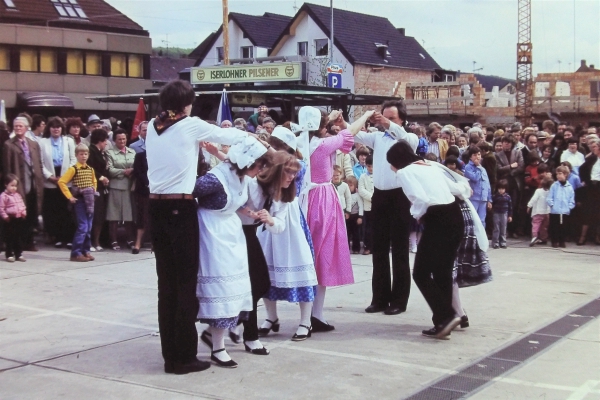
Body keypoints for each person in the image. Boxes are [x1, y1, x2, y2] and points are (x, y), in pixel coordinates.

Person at [146, 79, 248, 375]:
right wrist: (252, 139)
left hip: (156, 207)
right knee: (184, 286)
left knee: (166, 286)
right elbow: (227, 134)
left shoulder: (155, 125)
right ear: (186, 103)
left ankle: (171, 356)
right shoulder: (189, 124)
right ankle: (184, 357)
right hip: (180, 208)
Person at [194, 136, 269, 368]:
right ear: (247, 163)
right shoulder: (214, 179)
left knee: (235, 288)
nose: (261, 170)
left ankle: (218, 341)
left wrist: (248, 213)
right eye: (259, 166)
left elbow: (234, 201)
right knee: (222, 289)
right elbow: (187, 191)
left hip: (231, 233)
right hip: (212, 235)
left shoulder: (240, 175)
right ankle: (218, 347)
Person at [387, 140, 468, 339]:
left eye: (391, 163)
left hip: (437, 217)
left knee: (421, 273)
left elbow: (420, 200)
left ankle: (446, 317)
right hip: (455, 215)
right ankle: (444, 320)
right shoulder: (431, 166)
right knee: (443, 272)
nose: (391, 168)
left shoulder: (404, 173)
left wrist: (417, 214)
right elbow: (459, 188)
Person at [351, 101, 418, 316]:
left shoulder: (409, 138)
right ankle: (379, 298)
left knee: (399, 250)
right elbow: (352, 134)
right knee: (378, 249)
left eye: (392, 117)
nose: (385, 121)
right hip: (379, 196)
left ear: (402, 120)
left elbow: (403, 138)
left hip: (400, 196)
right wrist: (355, 118)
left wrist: (388, 123)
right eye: (384, 117)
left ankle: (399, 300)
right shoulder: (377, 137)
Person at [3, 116, 44, 251]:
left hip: (33, 183)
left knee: (32, 212)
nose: (18, 128)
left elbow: (38, 163)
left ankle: (29, 241)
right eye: (16, 126)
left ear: (27, 128)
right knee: (19, 213)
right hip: (19, 183)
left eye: (20, 126)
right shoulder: (9, 144)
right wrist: (10, 184)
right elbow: (7, 167)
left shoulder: (33, 143)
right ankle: (19, 243)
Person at [39, 117, 76, 248]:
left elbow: (73, 160)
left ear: (62, 128)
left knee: (67, 210)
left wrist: (65, 177)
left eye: (58, 127)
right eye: (53, 127)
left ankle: (69, 238)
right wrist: (50, 177)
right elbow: (40, 163)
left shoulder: (69, 141)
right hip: (50, 181)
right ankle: (58, 237)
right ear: (49, 129)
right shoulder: (43, 142)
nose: (56, 129)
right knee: (54, 211)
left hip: (66, 179)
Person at [58, 144, 97, 262]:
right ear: (76, 155)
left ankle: (86, 251)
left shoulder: (90, 169)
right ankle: (76, 252)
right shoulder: (73, 169)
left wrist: (93, 192)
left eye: (85, 154)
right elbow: (62, 181)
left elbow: (93, 181)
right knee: (82, 227)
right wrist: (70, 196)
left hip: (89, 201)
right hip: (80, 200)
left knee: (89, 227)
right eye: (81, 154)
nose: (83, 156)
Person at [106, 129, 136, 250]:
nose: (122, 141)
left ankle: (130, 239)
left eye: (124, 139)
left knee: (129, 216)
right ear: (114, 140)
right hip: (115, 186)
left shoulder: (132, 152)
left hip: (129, 187)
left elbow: (136, 167)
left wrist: (132, 171)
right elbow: (110, 170)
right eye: (119, 139)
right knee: (114, 216)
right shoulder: (109, 153)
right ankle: (113, 240)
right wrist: (124, 171)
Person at [86, 129, 110, 252]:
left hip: (102, 188)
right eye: (105, 140)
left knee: (100, 215)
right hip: (93, 187)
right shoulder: (90, 151)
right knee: (93, 215)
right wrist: (101, 177)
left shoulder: (101, 152)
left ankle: (97, 241)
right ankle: (90, 241)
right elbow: (89, 168)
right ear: (100, 140)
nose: (106, 143)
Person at [577, 138, 600, 245]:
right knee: (587, 212)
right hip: (591, 187)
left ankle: (597, 237)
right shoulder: (591, 159)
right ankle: (583, 237)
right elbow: (582, 169)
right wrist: (585, 181)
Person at [0, 174, 27, 262]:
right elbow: (1, 208)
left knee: (18, 237)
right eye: (12, 185)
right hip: (9, 219)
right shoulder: (3, 196)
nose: (14, 188)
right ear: (6, 184)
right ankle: (9, 254)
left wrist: (23, 212)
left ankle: (18, 254)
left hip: (18, 218)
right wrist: (5, 216)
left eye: (15, 186)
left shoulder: (17, 195)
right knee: (9, 237)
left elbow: (21, 204)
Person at [547, 166, 575, 248]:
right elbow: (549, 198)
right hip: (555, 211)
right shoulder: (554, 186)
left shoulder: (569, 187)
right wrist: (552, 205)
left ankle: (562, 241)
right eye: (557, 174)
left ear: (565, 174)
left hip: (565, 211)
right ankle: (554, 241)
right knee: (554, 226)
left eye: (560, 174)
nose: (558, 176)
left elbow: (571, 199)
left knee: (563, 227)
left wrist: (569, 207)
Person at [464, 145, 492, 227]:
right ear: (470, 157)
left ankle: (481, 239)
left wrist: (489, 199)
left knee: (482, 220)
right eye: (475, 155)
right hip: (474, 198)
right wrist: (478, 167)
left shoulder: (482, 168)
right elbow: (475, 178)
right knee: (473, 219)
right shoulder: (468, 167)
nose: (477, 157)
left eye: (479, 154)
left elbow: (487, 184)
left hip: (483, 198)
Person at [131, 147, 149, 254]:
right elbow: (138, 172)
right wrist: (148, 183)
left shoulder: (161, 155)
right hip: (143, 190)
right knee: (142, 216)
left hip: (159, 190)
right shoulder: (140, 156)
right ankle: (137, 243)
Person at [527, 177, 553, 246]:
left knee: (535, 225)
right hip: (547, 212)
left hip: (538, 211)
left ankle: (534, 237)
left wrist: (529, 205)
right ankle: (543, 238)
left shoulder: (538, 191)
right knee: (544, 227)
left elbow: (534, 199)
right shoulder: (550, 192)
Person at [358, 155, 374, 256]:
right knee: (368, 229)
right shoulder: (363, 176)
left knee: (379, 228)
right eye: (368, 166)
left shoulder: (379, 175)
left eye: (372, 166)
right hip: (368, 206)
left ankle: (376, 247)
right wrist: (372, 197)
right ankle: (367, 247)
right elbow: (361, 190)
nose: (371, 168)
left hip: (379, 206)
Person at [491, 179, 512, 249]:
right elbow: (492, 204)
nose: (501, 190)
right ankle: (495, 242)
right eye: (499, 189)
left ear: (505, 189)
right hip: (496, 213)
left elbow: (510, 207)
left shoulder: (508, 197)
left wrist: (510, 215)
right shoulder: (495, 196)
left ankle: (503, 242)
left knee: (503, 228)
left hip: (504, 214)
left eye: (502, 189)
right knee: (496, 228)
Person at [345, 176, 363, 254]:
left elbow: (361, 206)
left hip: (355, 216)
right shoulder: (345, 195)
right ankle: (346, 248)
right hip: (347, 217)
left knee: (356, 234)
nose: (349, 187)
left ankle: (356, 248)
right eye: (347, 185)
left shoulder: (357, 195)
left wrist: (360, 217)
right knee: (347, 233)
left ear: (355, 186)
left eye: (351, 185)